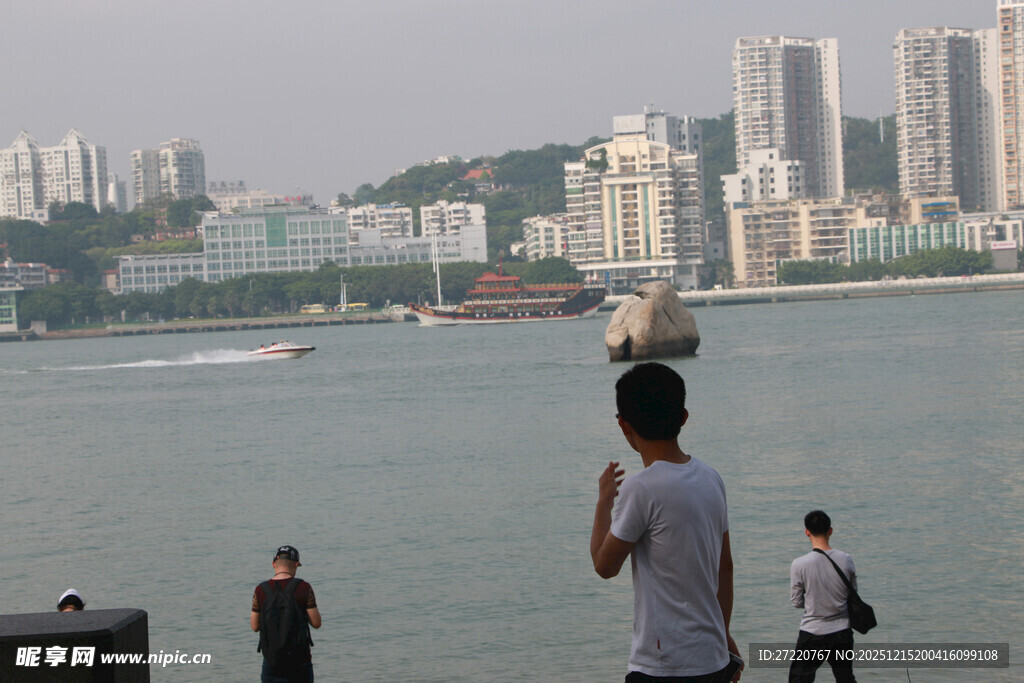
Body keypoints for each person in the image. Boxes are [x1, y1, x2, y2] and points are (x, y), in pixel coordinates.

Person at [591, 362, 741, 682]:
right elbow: (724, 567)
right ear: (683, 417)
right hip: (713, 659)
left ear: (623, 425)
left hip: (662, 666)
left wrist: (604, 501)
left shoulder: (641, 488)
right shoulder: (711, 478)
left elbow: (604, 566)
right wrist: (723, 634)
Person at [789, 510, 857, 682]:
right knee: (845, 678)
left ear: (807, 532)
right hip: (842, 631)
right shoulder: (846, 559)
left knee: (799, 679)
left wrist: (814, 602)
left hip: (813, 631)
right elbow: (852, 594)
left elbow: (796, 601)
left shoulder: (799, 564)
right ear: (830, 531)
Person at [251, 545, 322, 683]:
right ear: (296, 565)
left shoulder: (260, 590)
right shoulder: (303, 587)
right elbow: (316, 623)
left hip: (271, 662)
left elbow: (255, 626)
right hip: (300, 661)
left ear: (273, 564)